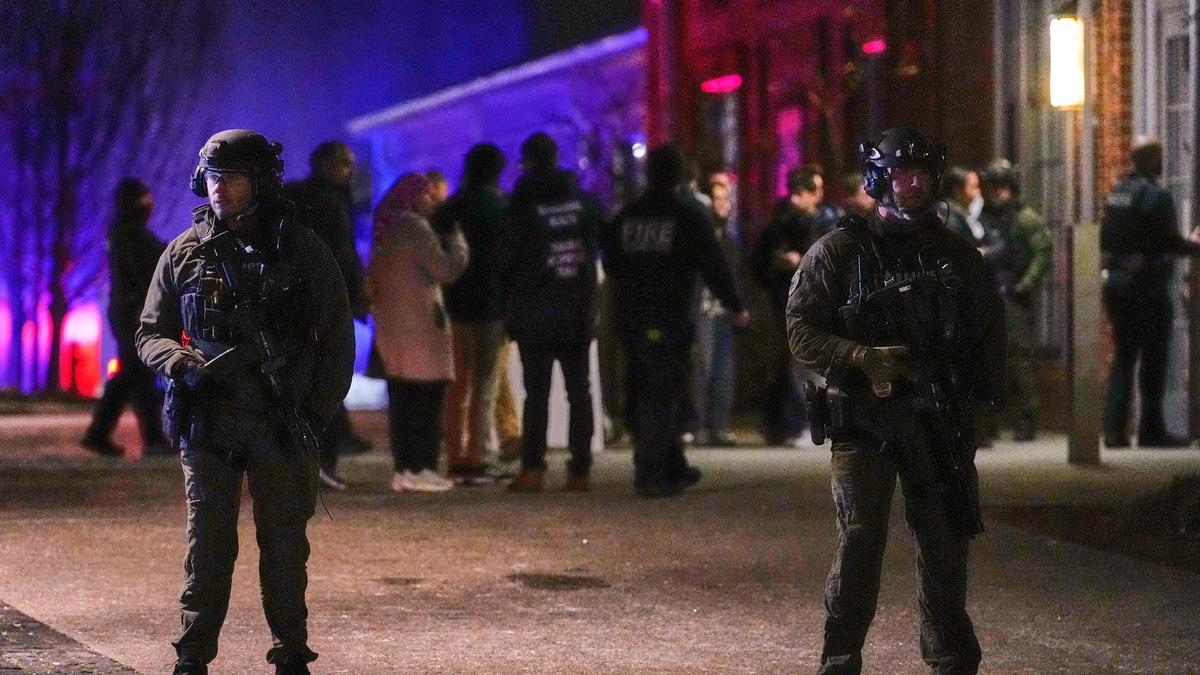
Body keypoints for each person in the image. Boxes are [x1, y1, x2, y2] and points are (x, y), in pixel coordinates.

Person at [788, 127, 1005, 674]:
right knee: (860, 542)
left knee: (944, 544)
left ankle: (951, 660)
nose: (912, 185)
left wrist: (980, 405)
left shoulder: (958, 256)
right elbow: (802, 331)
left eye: (921, 174)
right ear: (878, 179)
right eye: (901, 174)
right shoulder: (840, 252)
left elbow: (988, 336)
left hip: (938, 420)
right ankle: (840, 660)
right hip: (865, 419)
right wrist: (859, 356)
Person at [137, 129, 355, 675]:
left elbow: (337, 337)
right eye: (213, 177)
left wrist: (317, 412)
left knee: (284, 548)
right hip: (208, 420)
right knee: (207, 548)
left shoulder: (301, 250)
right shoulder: (184, 252)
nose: (220, 188)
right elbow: (149, 332)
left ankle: (291, 653)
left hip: (279, 421)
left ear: (259, 183)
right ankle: (192, 656)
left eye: (232, 178)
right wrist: (180, 363)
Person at [601, 143, 749, 497]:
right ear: (680, 175)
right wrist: (735, 305)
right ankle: (652, 471)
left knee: (642, 387)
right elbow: (713, 264)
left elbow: (611, 262)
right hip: (672, 315)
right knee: (667, 393)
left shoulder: (627, 216)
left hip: (632, 316)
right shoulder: (688, 215)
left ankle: (672, 466)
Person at [503, 132, 604, 492]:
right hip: (577, 308)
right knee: (580, 392)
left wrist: (510, 309)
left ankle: (533, 469)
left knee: (536, 394)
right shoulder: (584, 203)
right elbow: (602, 242)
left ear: (527, 162)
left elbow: (508, 259)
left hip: (535, 311)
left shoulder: (521, 205)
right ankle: (580, 471)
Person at [367, 173, 467, 491]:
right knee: (427, 399)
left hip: (393, 330)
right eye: (426, 194)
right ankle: (421, 467)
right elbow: (445, 269)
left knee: (402, 401)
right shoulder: (414, 227)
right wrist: (458, 242)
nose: (431, 201)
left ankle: (404, 468)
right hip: (421, 329)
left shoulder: (385, 228)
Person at [283, 140, 370, 490]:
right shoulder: (330, 201)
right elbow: (342, 253)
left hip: (296, 301)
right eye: (344, 164)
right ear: (327, 165)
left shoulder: (296, 197)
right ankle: (322, 460)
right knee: (327, 379)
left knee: (306, 380)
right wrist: (355, 296)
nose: (350, 171)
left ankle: (308, 459)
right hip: (324, 301)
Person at [1101, 139, 1200, 448]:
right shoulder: (1157, 196)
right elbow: (1168, 241)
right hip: (1147, 286)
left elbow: (1106, 238)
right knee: (1153, 359)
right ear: (1152, 159)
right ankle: (1151, 430)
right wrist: (1193, 244)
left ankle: (1114, 430)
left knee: (1124, 356)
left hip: (1117, 283)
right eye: (1159, 156)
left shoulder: (1117, 192)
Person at [432, 143, 510, 483]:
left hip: (455, 306)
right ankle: (480, 454)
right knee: (485, 385)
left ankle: (456, 455)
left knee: (457, 384)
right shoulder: (502, 208)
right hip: (491, 306)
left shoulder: (450, 208)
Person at [82, 177, 170, 457]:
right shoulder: (128, 236)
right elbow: (148, 267)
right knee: (138, 373)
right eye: (144, 198)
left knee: (130, 375)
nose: (149, 204)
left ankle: (99, 434)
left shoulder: (126, 234)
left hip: (129, 311)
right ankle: (152, 439)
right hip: (132, 312)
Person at [979, 158, 1052, 441]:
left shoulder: (1025, 219)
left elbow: (1043, 250)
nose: (997, 193)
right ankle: (988, 422)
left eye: (1003, 187)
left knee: (1019, 359)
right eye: (993, 187)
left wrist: (1027, 282)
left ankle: (1026, 419)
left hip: (1012, 296)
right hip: (986, 294)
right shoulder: (982, 218)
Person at [751, 165, 822, 446]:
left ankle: (787, 422)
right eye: (814, 190)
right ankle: (793, 422)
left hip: (796, 300)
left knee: (795, 362)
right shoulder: (786, 224)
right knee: (796, 364)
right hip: (791, 300)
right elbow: (759, 261)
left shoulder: (811, 221)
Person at [690, 171, 740, 446]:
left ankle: (719, 426)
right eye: (717, 198)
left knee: (723, 370)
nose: (723, 204)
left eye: (726, 198)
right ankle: (699, 425)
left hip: (723, 311)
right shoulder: (704, 233)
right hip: (704, 309)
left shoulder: (727, 236)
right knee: (703, 369)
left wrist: (739, 304)